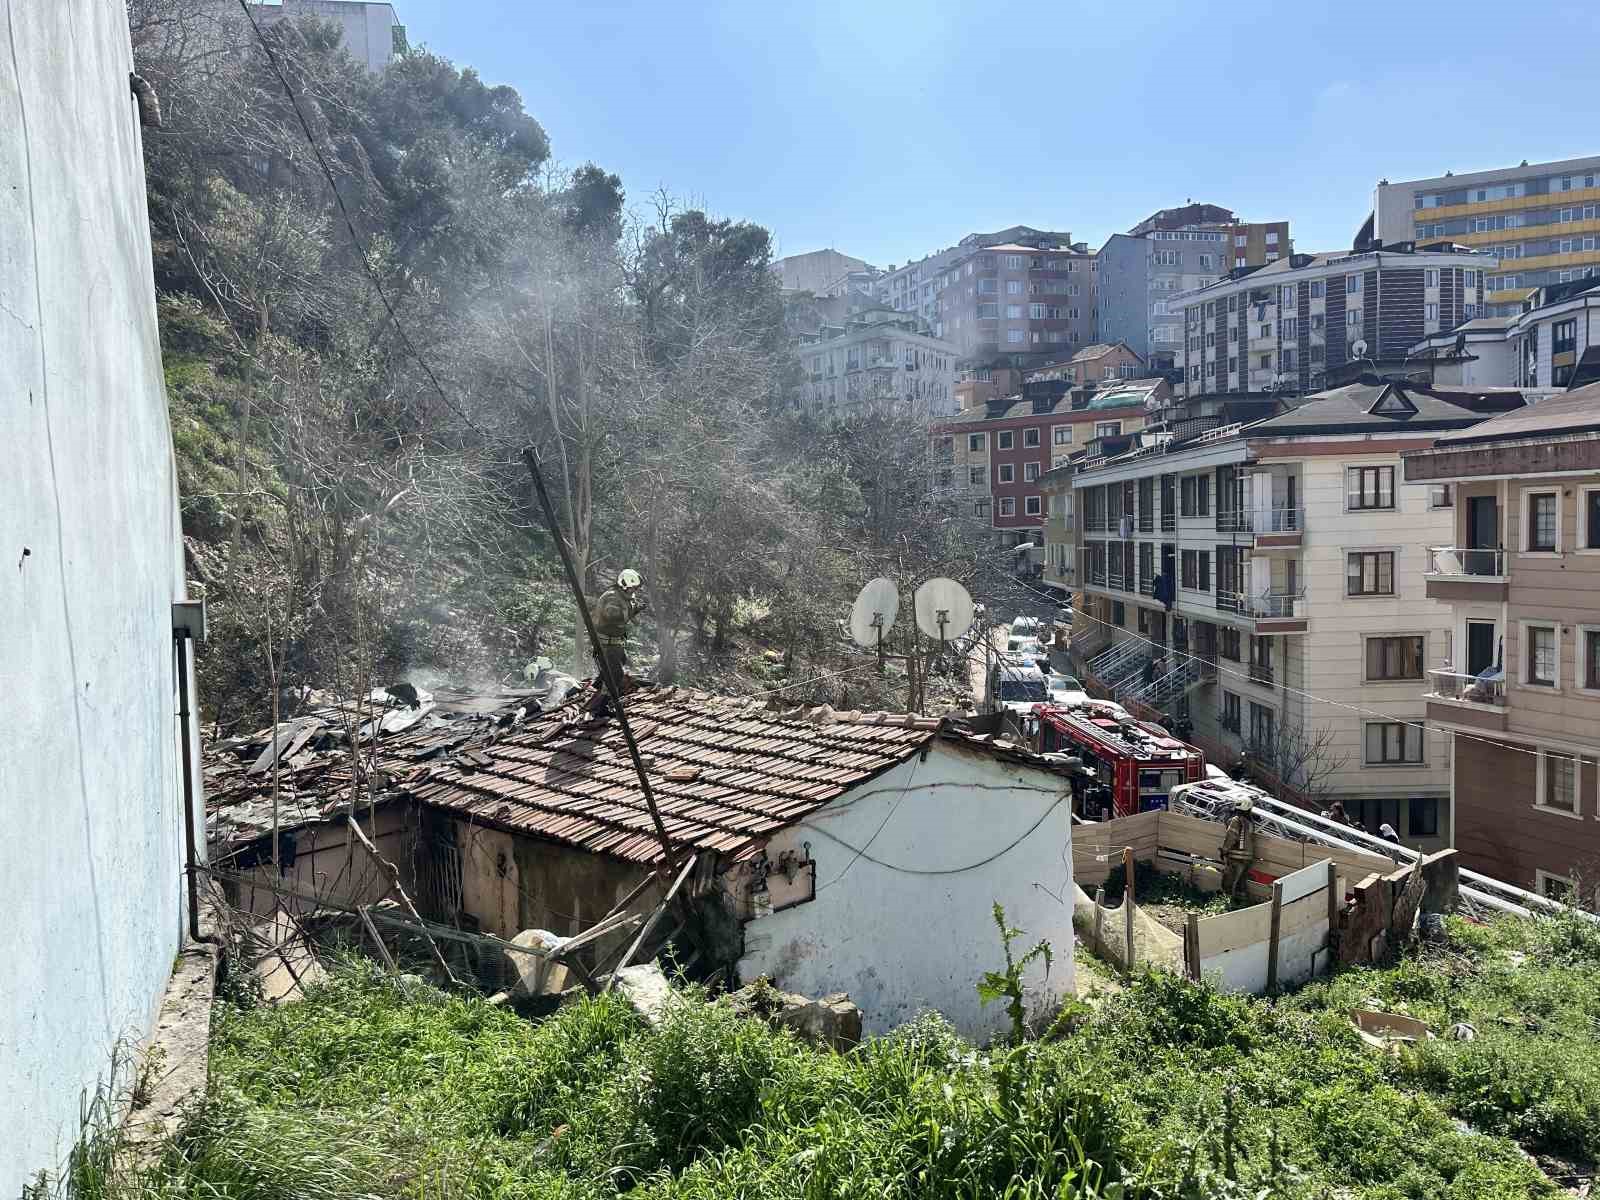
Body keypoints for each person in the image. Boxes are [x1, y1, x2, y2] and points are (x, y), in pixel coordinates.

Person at [589, 568, 647, 715]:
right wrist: (633, 611)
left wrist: (635, 608)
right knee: (615, 674)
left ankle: (597, 688)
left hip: (615, 641)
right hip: (606, 643)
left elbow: (627, 611)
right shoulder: (613, 597)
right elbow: (612, 617)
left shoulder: (623, 595)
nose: (635, 590)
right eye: (633, 587)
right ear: (624, 584)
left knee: (620, 662)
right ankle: (601, 707)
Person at [1219, 796, 1257, 900]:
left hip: (1236, 857)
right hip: (1247, 858)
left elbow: (1231, 836)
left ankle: (1225, 903)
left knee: (1228, 882)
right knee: (1241, 883)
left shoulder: (1236, 820)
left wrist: (1224, 850)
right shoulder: (1251, 823)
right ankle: (1241, 904)